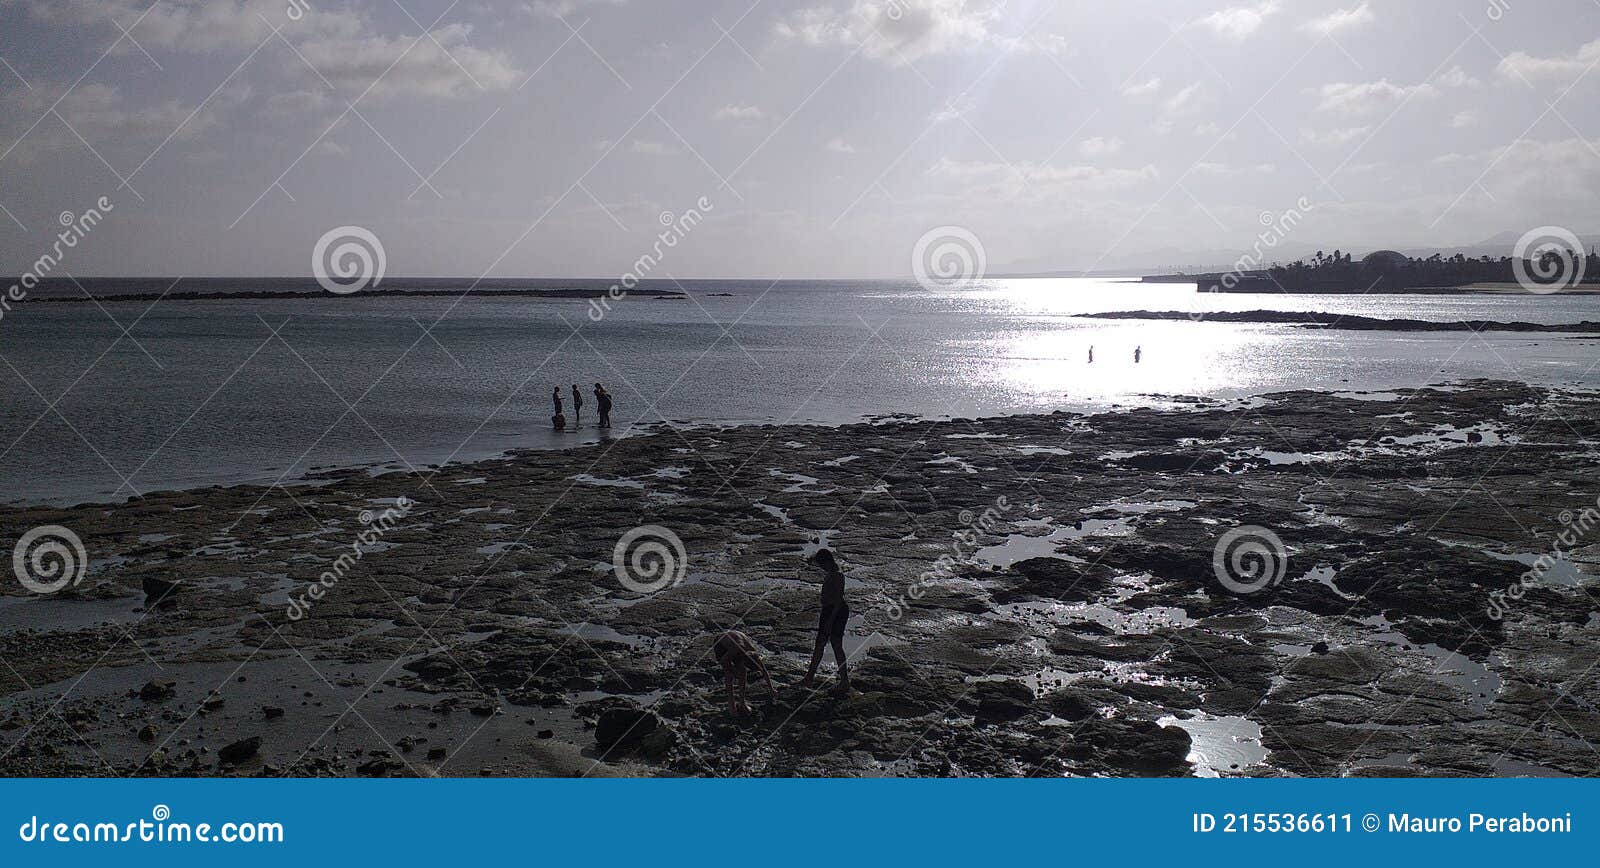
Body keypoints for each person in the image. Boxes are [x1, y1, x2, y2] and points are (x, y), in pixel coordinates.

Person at [800, 548, 850, 693]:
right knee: (821, 644)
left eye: (821, 564)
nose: (820, 567)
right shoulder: (832, 572)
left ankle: (844, 681)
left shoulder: (837, 575)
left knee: (834, 645)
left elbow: (838, 600)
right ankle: (809, 677)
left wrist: (830, 620)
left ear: (827, 562)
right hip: (830, 610)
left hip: (836, 612)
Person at [713, 630, 773, 715]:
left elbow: (764, 670)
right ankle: (732, 706)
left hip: (736, 642)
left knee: (743, 672)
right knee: (729, 673)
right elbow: (723, 661)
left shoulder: (753, 652)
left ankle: (742, 703)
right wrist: (734, 672)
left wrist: (771, 689)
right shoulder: (735, 650)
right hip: (721, 643)